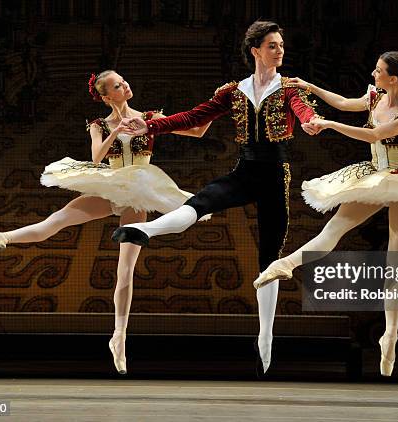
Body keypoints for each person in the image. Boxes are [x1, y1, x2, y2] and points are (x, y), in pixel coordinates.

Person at [0, 70, 210, 375]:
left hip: (139, 189)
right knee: (55, 221)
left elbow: (197, 131)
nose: (126, 85)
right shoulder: (99, 124)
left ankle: (119, 337)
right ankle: (1, 237)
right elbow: (96, 157)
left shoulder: (150, 116)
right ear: (107, 96)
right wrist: (115, 129)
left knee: (125, 270)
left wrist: (217, 104)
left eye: (124, 81)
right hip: (109, 182)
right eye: (118, 85)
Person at [252, 51, 398, 376]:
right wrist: (311, 87)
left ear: (394, 78)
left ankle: (390, 335)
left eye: (378, 71)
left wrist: (328, 125)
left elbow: (373, 135)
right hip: (374, 174)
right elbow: (346, 102)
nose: (373, 74)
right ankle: (283, 265)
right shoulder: (376, 96)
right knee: (332, 230)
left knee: (395, 261)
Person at [111, 20, 319, 375]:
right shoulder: (233, 91)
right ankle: (145, 232)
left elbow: (303, 111)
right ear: (255, 51)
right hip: (246, 172)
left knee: (269, 258)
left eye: (281, 45)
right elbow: (194, 116)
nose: (280, 50)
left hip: (274, 178)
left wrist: (311, 119)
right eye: (273, 45)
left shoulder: (290, 89)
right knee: (202, 200)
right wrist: (151, 125)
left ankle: (265, 339)